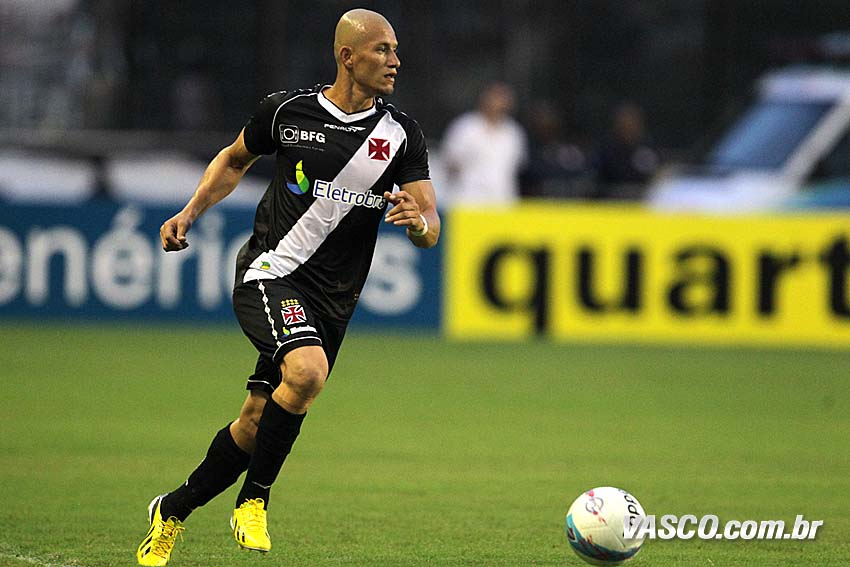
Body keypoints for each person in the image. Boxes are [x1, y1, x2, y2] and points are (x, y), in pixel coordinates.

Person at [135, 9, 439, 566]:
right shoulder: (287, 110)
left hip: (333, 301)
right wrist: (190, 211)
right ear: (347, 56)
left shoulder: (401, 135)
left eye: (396, 50)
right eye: (382, 49)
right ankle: (254, 500)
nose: (395, 61)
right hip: (271, 272)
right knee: (307, 372)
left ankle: (171, 510)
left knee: (256, 421)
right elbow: (233, 160)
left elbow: (431, 224)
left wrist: (417, 223)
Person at [440, 81, 527, 207]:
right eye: (495, 97)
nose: (499, 104)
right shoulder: (465, 127)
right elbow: (450, 163)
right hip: (468, 202)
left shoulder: (513, 133)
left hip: (502, 203)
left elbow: (517, 167)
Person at [591, 101, 659, 199]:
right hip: (611, 200)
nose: (628, 125)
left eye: (632, 121)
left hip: (642, 199)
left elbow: (654, 175)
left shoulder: (647, 147)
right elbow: (598, 179)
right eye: (624, 122)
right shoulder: (606, 148)